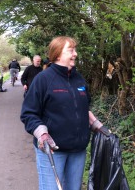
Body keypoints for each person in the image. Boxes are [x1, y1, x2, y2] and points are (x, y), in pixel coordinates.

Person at [20, 36, 110, 190]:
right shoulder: (43, 79)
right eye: (71, 50)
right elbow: (28, 114)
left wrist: (99, 127)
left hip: (78, 151)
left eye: (75, 50)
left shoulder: (79, 79)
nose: (75, 54)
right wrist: (42, 134)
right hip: (53, 152)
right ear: (58, 55)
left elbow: (83, 109)